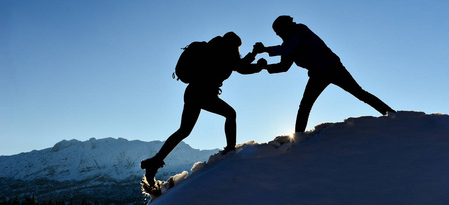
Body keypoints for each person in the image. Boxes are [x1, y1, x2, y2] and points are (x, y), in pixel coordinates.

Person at [141, 32, 265, 185]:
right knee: (230, 114)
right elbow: (241, 67)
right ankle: (231, 151)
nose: (237, 50)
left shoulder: (212, 48)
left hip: (193, 91)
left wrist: (253, 56)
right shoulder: (226, 53)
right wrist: (259, 64)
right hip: (204, 93)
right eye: (238, 47)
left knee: (184, 130)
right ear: (234, 44)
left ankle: (154, 162)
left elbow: (237, 65)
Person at [253, 15, 395, 133]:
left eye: (278, 31)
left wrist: (265, 49)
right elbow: (284, 66)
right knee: (305, 105)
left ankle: (392, 115)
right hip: (318, 74)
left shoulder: (299, 29)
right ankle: (298, 136)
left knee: (359, 93)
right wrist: (264, 67)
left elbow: (290, 47)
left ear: (285, 27)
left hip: (333, 67)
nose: (278, 35)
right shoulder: (286, 44)